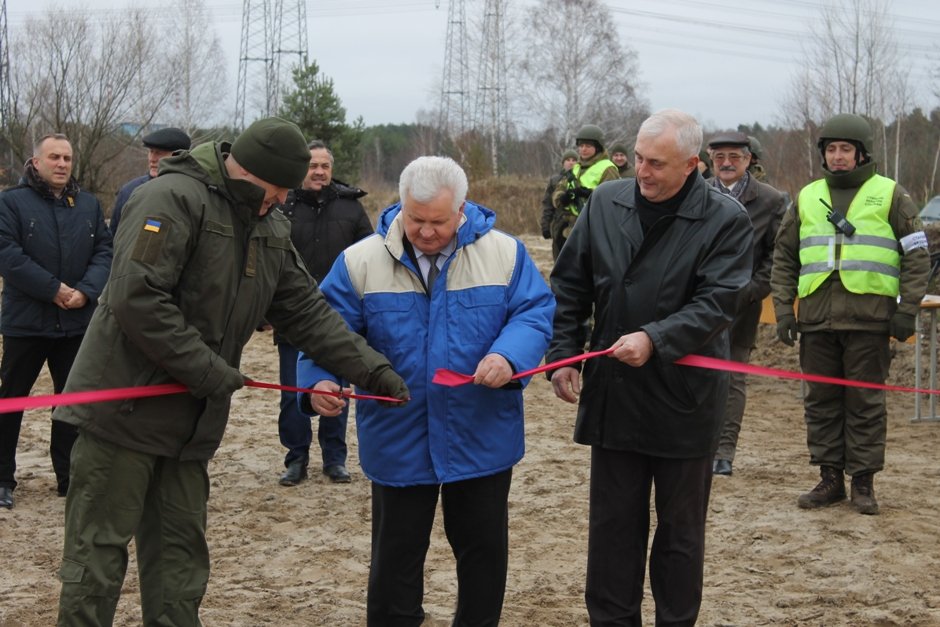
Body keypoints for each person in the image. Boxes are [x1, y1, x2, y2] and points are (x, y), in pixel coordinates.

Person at [54, 117, 410, 625]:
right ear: (245, 170)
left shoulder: (269, 224)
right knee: (96, 561)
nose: (281, 200)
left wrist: (374, 370)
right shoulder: (170, 199)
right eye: (276, 190)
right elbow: (137, 298)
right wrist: (208, 370)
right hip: (121, 414)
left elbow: (307, 312)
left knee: (180, 566)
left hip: (189, 426)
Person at [297, 156, 555, 626]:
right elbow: (327, 331)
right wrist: (319, 379)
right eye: (416, 220)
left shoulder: (505, 254)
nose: (427, 232)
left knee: (483, 554)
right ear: (400, 205)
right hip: (398, 435)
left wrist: (508, 356)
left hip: (480, 434)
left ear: (461, 210)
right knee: (395, 557)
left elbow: (534, 313)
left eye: (439, 221)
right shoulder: (360, 260)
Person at [548, 109, 753, 624]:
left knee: (680, 536)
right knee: (612, 529)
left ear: (691, 164)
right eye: (638, 158)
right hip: (614, 396)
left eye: (656, 163)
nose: (642, 171)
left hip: (684, 398)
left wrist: (655, 339)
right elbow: (570, 284)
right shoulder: (605, 202)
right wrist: (562, 355)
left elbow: (718, 303)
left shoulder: (726, 220)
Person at [770, 113, 929, 516]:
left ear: (862, 153)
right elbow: (784, 256)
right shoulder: (806, 197)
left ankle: (863, 483)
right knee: (820, 402)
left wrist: (907, 310)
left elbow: (917, 255)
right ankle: (830, 480)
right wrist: (784, 310)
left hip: (869, 321)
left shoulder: (892, 194)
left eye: (845, 149)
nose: (837, 156)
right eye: (831, 149)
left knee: (865, 403)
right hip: (816, 321)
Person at [0, 134, 113, 510]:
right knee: (11, 401)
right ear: (36, 162)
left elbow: (105, 251)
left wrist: (86, 291)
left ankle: (69, 477)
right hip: (26, 323)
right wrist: (53, 290)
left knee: (71, 403)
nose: (62, 164)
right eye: (54, 157)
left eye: (67, 158)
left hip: (76, 321)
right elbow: (8, 255)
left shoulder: (88, 205)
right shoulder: (11, 203)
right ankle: (2, 479)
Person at [275, 139, 374, 486]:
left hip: (338, 317)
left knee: (336, 389)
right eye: (312, 166)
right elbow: (269, 259)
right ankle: (296, 458)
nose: (319, 172)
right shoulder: (281, 207)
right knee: (293, 392)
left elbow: (369, 257)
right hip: (292, 315)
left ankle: (335, 459)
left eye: (325, 166)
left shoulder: (351, 208)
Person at [706, 132, 787, 476]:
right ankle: (698, 446)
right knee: (695, 375)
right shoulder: (697, 193)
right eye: (719, 157)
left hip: (742, 305)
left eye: (734, 157)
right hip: (697, 303)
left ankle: (724, 451)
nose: (726, 163)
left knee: (732, 377)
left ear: (748, 159)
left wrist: (753, 289)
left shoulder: (770, 200)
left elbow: (778, 253)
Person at [550, 124, 619, 257]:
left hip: (593, 228)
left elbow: (611, 199)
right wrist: (563, 197)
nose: (583, 149)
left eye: (588, 146)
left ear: (597, 147)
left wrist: (589, 194)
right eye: (581, 146)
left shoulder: (607, 168)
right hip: (569, 227)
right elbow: (558, 191)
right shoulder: (576, 168)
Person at [110, 127, 191, 235]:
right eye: (151, 152)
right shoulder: (130, 191)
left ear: (178, 156)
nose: (152, 159)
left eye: (159, 153)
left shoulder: (192, 193)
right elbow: (115, 235)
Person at [539, 148, 578, 259]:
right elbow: (548, 205)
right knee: (559, 260)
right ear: (563, 163)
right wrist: (545, 225)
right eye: (568, 160)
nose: (571, 163)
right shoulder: (555, 181)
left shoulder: (581, 179)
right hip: (559, 225)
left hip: (577, 225)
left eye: (574, 160)